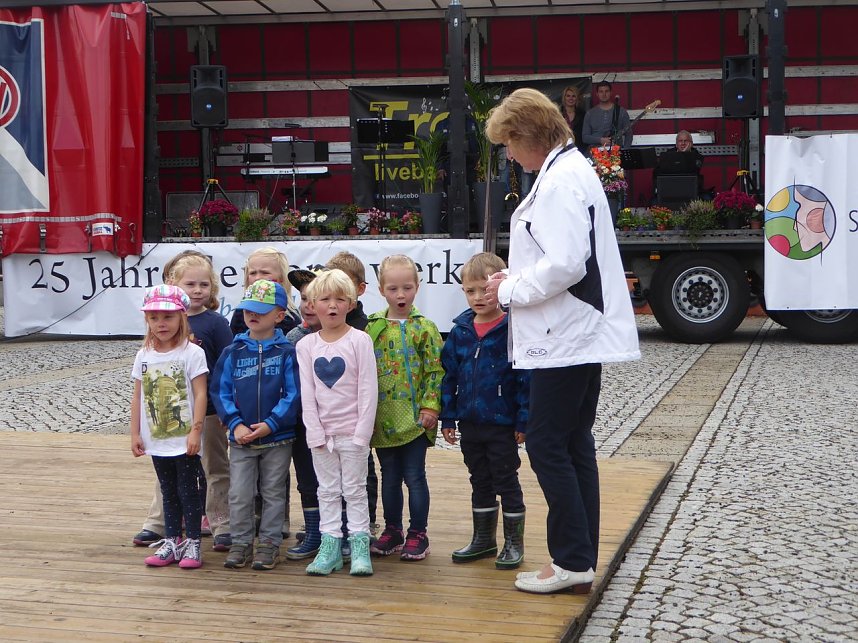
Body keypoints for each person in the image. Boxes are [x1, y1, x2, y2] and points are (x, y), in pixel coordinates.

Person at [483, 88, 640, 594]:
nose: (508, 153)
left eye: (509, 142)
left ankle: (570, 560)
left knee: (550, 444)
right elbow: (565, 256)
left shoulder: (556, 182)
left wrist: (509, 288)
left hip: (563, 333)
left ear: (527, 136)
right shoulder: (570, 170)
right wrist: (520, 275)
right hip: (573, 330)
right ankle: (579, 558)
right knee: (573, 444)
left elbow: (569, 263)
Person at [132, 251, 233, 552]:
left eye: (204, 284)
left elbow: (226, 363)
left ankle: (220, 522)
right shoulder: (162, 323)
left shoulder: (215, 323)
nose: (198, 290)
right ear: (174, 285)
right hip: (168, 416)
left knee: (215, 467)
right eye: (191, 284)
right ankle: (159, 522)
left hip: (210, 411)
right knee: (166, 469)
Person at [440, 252, 530, 570]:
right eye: (471, 291)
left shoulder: (511, 328)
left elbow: (524, 378)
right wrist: (447, 416)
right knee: (479, 479)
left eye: (485, 289)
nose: (478, 297)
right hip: (470, 421)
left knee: (506, 479)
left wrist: (523, 419)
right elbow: (448, 376)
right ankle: (483, 540)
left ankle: (514, 542)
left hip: (502, 422)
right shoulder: (460, 331)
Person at [210, 279, 301, 571]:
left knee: (274, 491)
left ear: (279, 315)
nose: (253, 315)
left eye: (261, 310)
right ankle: (240, 542)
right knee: (239, 492)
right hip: (241, 438)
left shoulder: (286, 352)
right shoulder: (233, 351)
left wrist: (273, 423)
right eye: (248, 309)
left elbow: (293, 393)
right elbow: (220, 391)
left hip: (277, 437)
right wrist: (235, 424)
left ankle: (269, 543)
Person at [296, 270, 379, 576]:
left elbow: (368, 389)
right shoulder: (306, 346)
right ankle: (330, 545)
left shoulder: (360, 341)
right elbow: (308, 391)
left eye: (339, 299)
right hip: (322, 435)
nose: (332, 306)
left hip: (352, 433)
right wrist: (314, 429)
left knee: (355, 490)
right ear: (313, 304)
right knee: (327, 490)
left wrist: (362, 433)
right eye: (325, 299)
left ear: (351, 304)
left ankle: (359, 546)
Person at [366, 254, 444, 561]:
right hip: (382, 418)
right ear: (381, 288)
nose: (401, 295)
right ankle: (393, 529)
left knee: (415, 476)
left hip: (415, 418)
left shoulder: (425, 328)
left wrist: (431, 407)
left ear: (417, 287)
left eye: (407, 288)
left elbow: (436, 370)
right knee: (389, 475)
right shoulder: (373, 327)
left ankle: (418, 532)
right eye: (394, 288)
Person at [131, 285, 209, 569]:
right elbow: (138, 395)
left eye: (167, 317)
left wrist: (196, 431)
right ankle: (172, 540)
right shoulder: (144, 355)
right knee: (168, 490)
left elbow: (200, 393)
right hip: (157, 438)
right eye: (153, 318)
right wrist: (135, 432)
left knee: (188, 489)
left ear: (181, 317)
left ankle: (193, 543)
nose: (160, 324)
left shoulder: (192, 353)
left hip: (183, 437)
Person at [229, 246, 300, 541]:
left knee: (275, 478)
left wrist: (275, 421)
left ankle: (276, 522)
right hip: (244, 419)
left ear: (281, 278)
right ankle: (244, 531)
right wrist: (233, 419)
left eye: (265, 272)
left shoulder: (290, 325)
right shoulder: (240, 321)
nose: (258, 276)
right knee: (244, 483)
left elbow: (292, 386)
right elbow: (228, 377)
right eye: (253, 272)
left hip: (276, 426)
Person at [282, 268, 324, 562]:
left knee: (335, 480)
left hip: (333, 421)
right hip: (300, 422)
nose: (308, 305)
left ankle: (337, 529)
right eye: (302, 298)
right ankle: (313, 530)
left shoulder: (346, 336)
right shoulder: (292, 337)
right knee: (306, 478)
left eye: (315, 298)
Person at [581, 80, 632, 149]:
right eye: (601, 91)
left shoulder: (621, 112)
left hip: (615, 153)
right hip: (595, 153)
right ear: (597, 94)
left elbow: (628, 134)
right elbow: (585, 137)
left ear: (611, 93)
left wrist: (625, 151)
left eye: (606, 91)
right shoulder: (590, 114)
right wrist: (600, 140)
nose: (604, 94)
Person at [558, 85, 586, 154]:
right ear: (564, 98)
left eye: (573, 96)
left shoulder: (583, 114)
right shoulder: (557, 114)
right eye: (568, 96)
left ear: (577, 98)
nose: (571, 98)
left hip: (579, 150)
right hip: (561, 149)